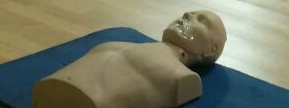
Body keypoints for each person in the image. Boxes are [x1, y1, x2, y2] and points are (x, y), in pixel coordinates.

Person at [33, 11, 226, 108]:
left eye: (201, 20)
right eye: (191, 12)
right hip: (49, 89)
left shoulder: (183, 78)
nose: (187, 15)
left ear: (211, 50)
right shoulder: (122, 44)